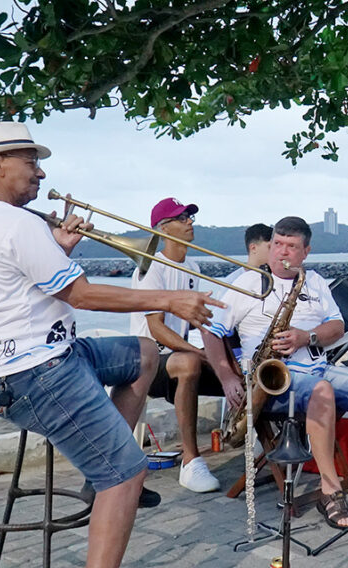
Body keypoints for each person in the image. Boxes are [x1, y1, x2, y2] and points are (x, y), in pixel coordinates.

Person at [0, 122, 223, 568]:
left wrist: (58, 248)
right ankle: (114, 476)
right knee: (129, 473)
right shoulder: (18, 223)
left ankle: (101, 477)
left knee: (144, 353)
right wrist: (169, 298)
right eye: (31, 162)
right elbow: (81, 295)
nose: (40, 173)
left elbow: (15, 290)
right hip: (37, 372)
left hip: (20, 365)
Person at [202, 216, 348, 530]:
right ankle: (330, 489)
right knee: (322, 391)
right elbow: (210, 330)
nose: (281, 252)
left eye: (291, 246)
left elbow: (337, 327)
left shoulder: (313, 281)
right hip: (271, 384)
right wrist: (227, 377)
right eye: (277, 244)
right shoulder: (247, 284)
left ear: (306, 251)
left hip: (318, 369)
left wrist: (307, 337)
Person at [130, 197, 222, 493]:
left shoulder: (193, 266)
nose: (190, 222)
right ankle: (190, 462)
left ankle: (258, 445)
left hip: (176, 354)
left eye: (190, 217)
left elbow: (195, 321)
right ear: (163, 228)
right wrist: (197, 352)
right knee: (190, 362)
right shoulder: (151, 267)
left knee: (241, 367)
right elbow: (156, 328)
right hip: (148, 360)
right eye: (181, 218)